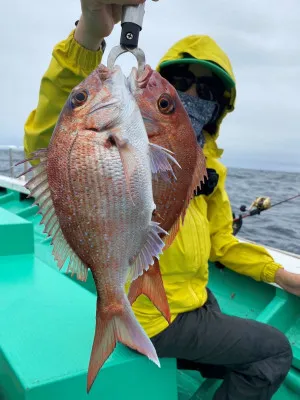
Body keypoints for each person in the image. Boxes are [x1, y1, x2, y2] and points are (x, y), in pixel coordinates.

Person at [24, 1, 300, 398]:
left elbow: (222, 243)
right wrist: (89, 32)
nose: (190, 93)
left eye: (205, 90)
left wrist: (278, 274)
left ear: (219, 107)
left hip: (195, 303)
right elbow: (51, 141)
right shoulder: (129, 146)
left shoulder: (208, 171)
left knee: (234, 341)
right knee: (275, 350)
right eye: (181, 81)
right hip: (154, 313)